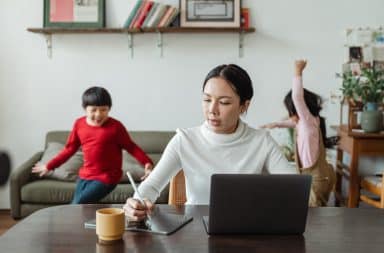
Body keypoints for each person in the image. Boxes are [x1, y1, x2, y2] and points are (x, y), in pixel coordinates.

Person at [124, 64, 296, 221]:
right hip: (195, 233)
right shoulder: (185, 140)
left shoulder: (261, 141)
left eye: (224, 102)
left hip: (247, 231)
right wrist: (137, 203)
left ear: (244, 106)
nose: (212, 110)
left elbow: (294, 188)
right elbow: (152, 186)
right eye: (207, 100)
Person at [32, 86, 153, 204]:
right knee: (79, 208)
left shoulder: (116, 127)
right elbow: (69, 149)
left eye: (103, 110)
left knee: (77, 204)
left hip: (108, 177)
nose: (99, 114)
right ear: (85, 109)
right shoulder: (79, 124)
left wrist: (147, 163)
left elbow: (131, 147)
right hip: (86, 175)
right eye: (93, 110)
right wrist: (49, 166)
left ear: (109, 109)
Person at [261, 60, 336, 206]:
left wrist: (298, 72)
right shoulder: (308, 122)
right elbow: (293, 123)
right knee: (311, 213)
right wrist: (276, 124)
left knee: (313, 215)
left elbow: (297, 97)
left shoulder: (307, 119)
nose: (289, 116)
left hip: (316, 178)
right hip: (316, 176)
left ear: (298, 109)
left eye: (290, 111)